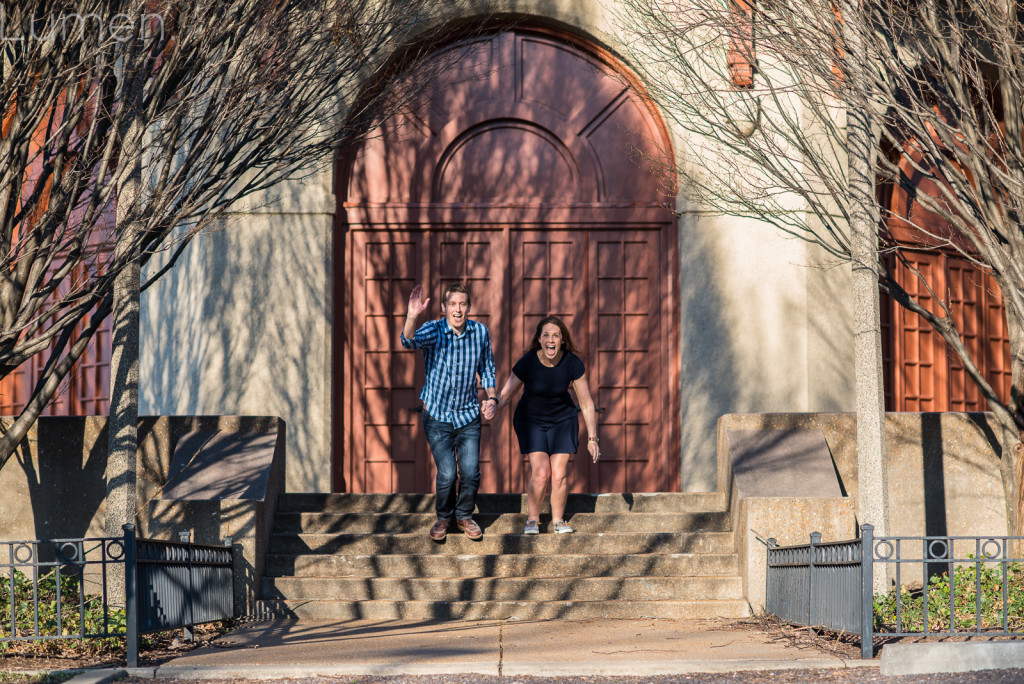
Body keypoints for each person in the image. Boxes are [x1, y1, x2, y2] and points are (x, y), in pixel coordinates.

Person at [401, 282, 497, 541]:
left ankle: (464, 516)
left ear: (469, 308)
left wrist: (492, 398)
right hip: (437, 416)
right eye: (452, 304)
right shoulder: (434, 330)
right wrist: (411, 317)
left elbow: (487, 367)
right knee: (446, 473)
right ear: (444, 308)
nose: (458, 309)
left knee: (470, 472)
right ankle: (444, 518)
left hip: (467, 416)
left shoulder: (480, 332)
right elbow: (408, 342)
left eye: (462, 304)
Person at [495, 315, 599, 534]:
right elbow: (505, 395)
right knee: (541, 472)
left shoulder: (572, 363)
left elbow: (586, 402)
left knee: (559, 474)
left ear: (562, 340)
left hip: (563, 420)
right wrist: (493, 405)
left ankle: (558, 520)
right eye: (546, 335)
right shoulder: (528, 362)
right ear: (539, 340)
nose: (551, 339)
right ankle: (533, 520)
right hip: (531, 420)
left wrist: (592, 438)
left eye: (556, 335)